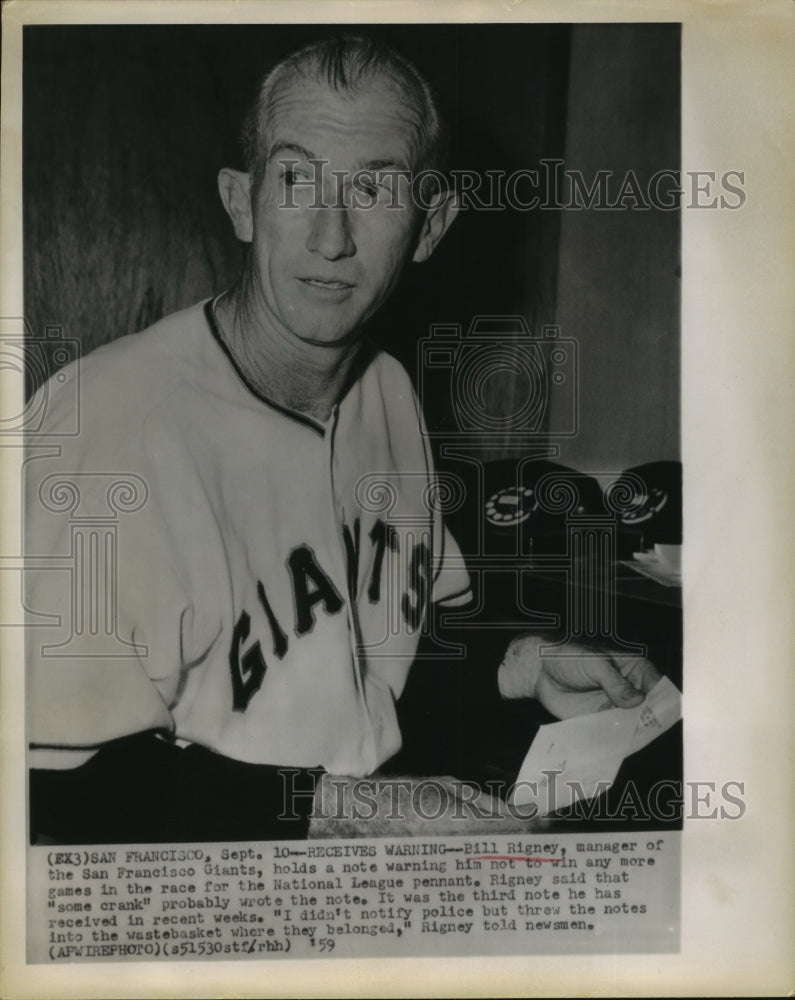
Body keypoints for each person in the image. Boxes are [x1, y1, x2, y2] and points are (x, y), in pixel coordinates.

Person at [26, 34, 661, 844]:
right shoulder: (99, 427)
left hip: (346, 863)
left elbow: (381, 655)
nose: (331, 236)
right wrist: (333, 809)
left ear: (429, 227)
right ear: (238, 202)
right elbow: (40, 790)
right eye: (295, 179)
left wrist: (518, 663)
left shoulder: (387, 390)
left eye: (375, 188)